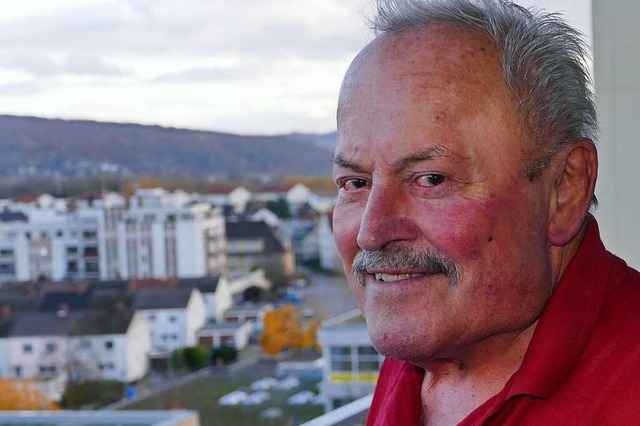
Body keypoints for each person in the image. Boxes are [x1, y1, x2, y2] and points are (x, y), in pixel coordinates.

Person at [331, 0, 640, 424]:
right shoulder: (426, 346)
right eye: (356, 184)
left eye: (432, 179)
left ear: (565, 189)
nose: (371, 232)